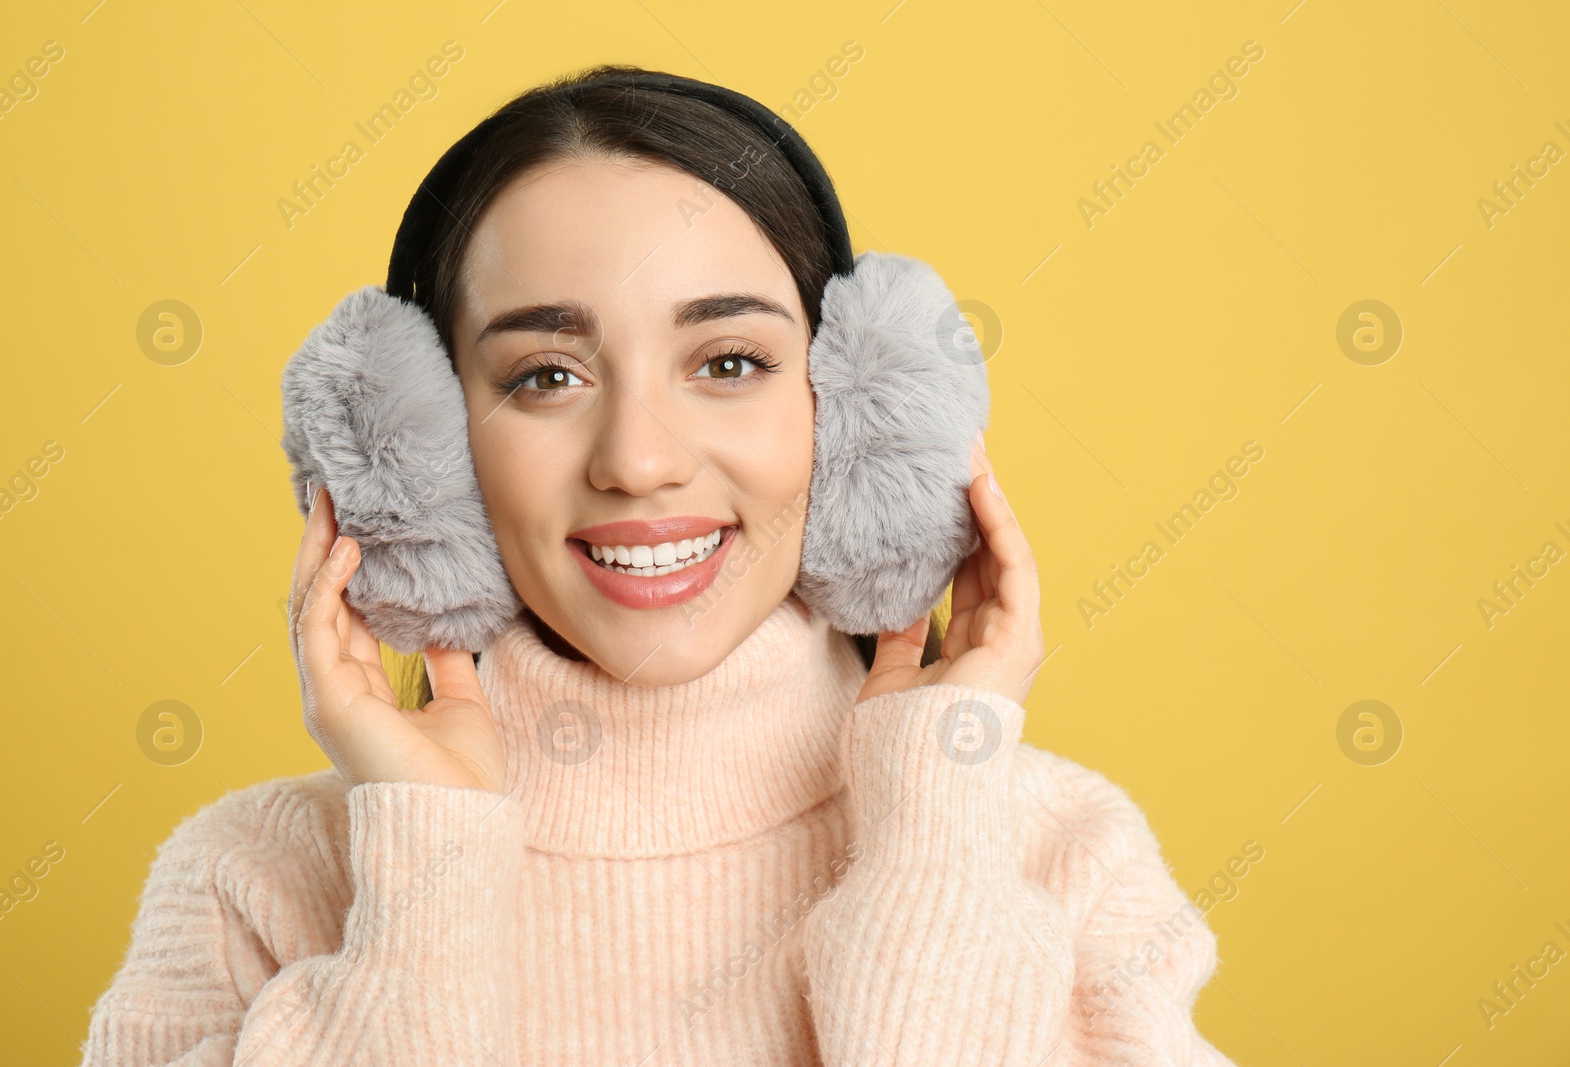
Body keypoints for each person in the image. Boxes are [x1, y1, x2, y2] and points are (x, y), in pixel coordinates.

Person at [80, 65, 1239, 1066]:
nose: (637, 461)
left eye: (728, 360)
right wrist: (425, 864)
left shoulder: (1056, 850)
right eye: (545, 374)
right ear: (423, 450)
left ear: (859, 411)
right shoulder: (254, 884)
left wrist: (930, 821)